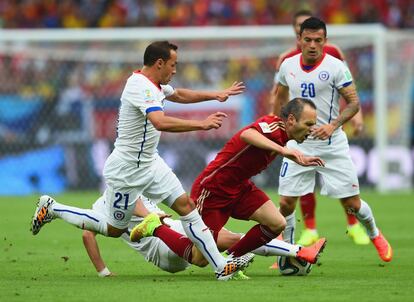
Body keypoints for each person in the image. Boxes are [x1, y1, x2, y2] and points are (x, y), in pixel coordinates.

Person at [30, 40, 254, 281]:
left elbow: (178, 94)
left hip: (150, 162)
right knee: (114, 229)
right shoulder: (140, 87)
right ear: (159, 63)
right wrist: (201, 124)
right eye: (173, 65)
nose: (175, 70)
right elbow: (160, 122)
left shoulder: (155, 84)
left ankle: (221, 266)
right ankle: (53, 208)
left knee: (186, 206)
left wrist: (216, 95)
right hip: (127, 169)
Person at [273, 17, 392, 262]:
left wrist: (333, 125)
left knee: (353, 204)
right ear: (299, 40)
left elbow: (354, 102)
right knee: (285, 203)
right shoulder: (288, 65)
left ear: (325, 41)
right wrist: (279, 128)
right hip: (299, 144)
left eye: (318, 40)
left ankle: (375, 233)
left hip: (332, 144)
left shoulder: (336, 66)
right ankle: (288, 253)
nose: (313, 45)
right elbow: (280, 97)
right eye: (308, 40)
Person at [176, 98, 326, 262]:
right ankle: (158, 229)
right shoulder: (274, 126)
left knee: (277, 223)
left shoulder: (284, 138)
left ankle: (231, 260)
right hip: (213, 189)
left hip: (240, 188)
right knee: (199, 259)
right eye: (308, 124)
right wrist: (282, 150)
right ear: (291, 120)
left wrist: (296, 157)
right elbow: (247, 134)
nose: (312, 130)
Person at [83, 195, 325, 279]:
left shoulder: (134, 185)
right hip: (162, 248)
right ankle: (295, 253)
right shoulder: (115, 198)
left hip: (173, 231)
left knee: (229, 237)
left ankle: (295, 252)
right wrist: (103, 271)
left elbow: (87, 234)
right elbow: (88, 234)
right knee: (223, 240)